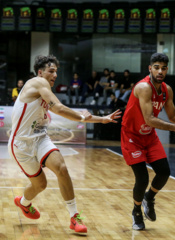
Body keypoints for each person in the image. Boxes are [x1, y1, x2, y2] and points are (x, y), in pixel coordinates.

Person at [8, 55, 121, 233]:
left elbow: (66, 111)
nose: (54, 75)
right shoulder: (37, 82)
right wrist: (84, 117)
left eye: (56, 72)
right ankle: (23, 202)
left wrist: (101, 119)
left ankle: (74, 217)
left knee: (62, 168)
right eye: (51, 71)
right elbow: (60, 108)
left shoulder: (44, 89)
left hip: (40, 138)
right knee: (41, 185)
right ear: (40, 72)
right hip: (21, 144)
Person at [121, 53, 175, 230]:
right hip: (132, 136)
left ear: (167, 69)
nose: (160, 71)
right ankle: (136, 211)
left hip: (149, 136)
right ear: (150, 68)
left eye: (163, 68)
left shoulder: (167, 90)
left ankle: (149, 198)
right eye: (156, 67)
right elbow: (149, 119)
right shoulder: (144, 88)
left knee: (164, 172)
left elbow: (173, 115)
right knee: (142, 177)